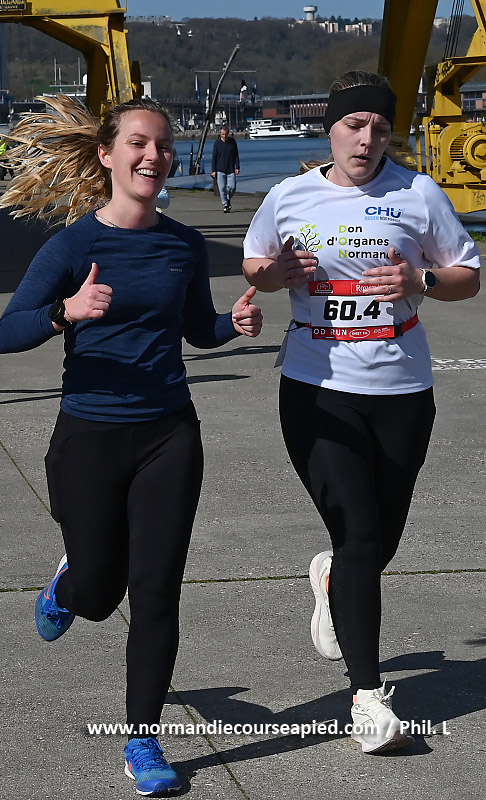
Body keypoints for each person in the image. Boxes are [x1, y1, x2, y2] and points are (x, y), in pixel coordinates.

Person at [0, 94, 262, 795]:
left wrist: (231, 324)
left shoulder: (184, 244)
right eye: (139, 143)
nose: (154, 156)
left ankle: (142, 739)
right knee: (98, 593)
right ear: (108, 155)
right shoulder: (73, 245)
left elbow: (197, 329)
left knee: (157, 592)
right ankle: (68, 583)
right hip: (89, 436)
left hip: (169, 434)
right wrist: (65, 312)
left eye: (163, 145)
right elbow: (8, 332)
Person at [242, 71, 480, 755]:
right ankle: (368, 697)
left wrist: (421, 280)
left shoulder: (418, 192)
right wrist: (275, 277)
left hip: (402, 388)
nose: (366, 139)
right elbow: (256, 264)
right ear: (331, 128)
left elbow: (467, 275)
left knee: (379, 544)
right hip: (317, 388)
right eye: (353, 125)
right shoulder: (290, 195)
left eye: (379, 127)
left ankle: (331, 577)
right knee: (362, 536)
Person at [211, 125, 240, 212]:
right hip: (220, 169)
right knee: (222, 188)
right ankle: (225, 204)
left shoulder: (232, 142)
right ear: (220, 134)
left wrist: (237, 167)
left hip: (231, 168)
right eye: (223, 134)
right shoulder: (217, 143)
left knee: (232, 187)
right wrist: (213, 170)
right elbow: (214, 157)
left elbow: (236, 155)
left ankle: (228, 198)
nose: (224, 136)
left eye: (226, 134)